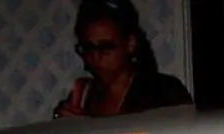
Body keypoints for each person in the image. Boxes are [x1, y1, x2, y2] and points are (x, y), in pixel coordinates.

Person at [53, 0, 192, 119]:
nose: (96, 57)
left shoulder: (163, 92)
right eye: (89, 48)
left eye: (106, 47)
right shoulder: (85, 95)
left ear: (130, 44)